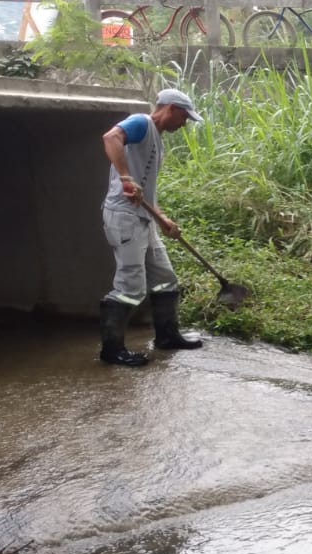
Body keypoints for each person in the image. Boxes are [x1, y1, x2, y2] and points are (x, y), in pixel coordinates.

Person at [99, 88, 204, 367]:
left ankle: (167, 336)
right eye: (183, 117)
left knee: (165, 278)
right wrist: (124, 176)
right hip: (124, 217)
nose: (184, 124)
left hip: (143, 218)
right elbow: (111, 137)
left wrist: (162, 219)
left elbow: (144, 193)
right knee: (130, 286)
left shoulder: (156, 138)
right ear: (170, 109)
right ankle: (112, 351)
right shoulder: (141, 123)